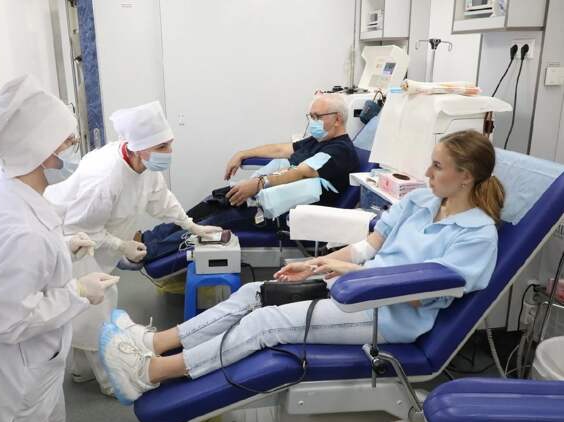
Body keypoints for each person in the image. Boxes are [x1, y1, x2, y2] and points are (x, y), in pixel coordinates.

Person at [98, 129, 506, 404]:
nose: (428, 172)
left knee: (267, 325)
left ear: (465, 177)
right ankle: (155, 343)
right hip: (354, 289)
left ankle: (152, 372)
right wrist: (315, 265)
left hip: (391, 316)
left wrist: (351, 275)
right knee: (253, 293)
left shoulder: (477, 235)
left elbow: (422, 296)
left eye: (437, 166)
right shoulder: (419, 201)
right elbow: (367, 247)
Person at [0, 75, 119, 422]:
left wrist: (65, 248)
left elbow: (22, 267)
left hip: (33, 363)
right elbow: (12, 321)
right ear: (41, 152)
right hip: (21, 374)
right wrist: (78, 291)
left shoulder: (9, 192)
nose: (74, 148)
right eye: (68, 142)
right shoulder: (20, 229)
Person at [44, 101, 221, 395]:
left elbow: (162, 200)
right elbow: (79, 229)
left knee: (85, 311)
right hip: (74, 245)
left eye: (170, 144)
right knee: (97, 311)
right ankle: (111, 381)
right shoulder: (105, 178)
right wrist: (121, 245)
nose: (169, 152)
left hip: (95, 243)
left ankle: (82, 371)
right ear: (138, 148)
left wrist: (192, 226)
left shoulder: (144, 164)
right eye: (162, 147)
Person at [142, 93, 360, 262]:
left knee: (212, 223)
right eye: (310, 117)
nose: (312, 122)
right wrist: (243, 153)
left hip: (284, 214)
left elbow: (301, 172)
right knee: (213, 202)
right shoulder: (317, 141)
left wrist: (258, 184)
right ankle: (148, 238)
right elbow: (279, 149)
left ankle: (148, 252)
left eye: (317, 117)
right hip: (269, 200)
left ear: (337, 118)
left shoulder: (340, 150)